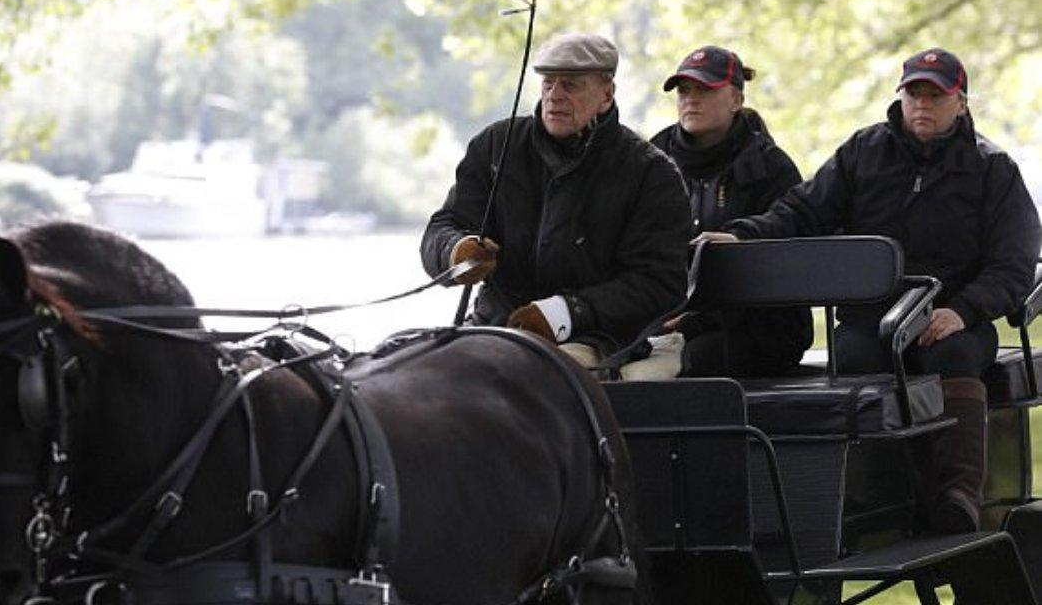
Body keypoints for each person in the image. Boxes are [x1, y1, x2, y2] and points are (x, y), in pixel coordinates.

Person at [697, 48, 1042, 533]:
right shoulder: (863, 152)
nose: (922, 104)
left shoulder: (993, 169)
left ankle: (959, 495)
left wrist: (962, 310)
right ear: (900, 98)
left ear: (961, 102)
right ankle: (879, 503)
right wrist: (742, 235)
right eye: (913, 93)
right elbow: (803, 211)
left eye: (935, 95)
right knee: (855, 355)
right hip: (872, 316)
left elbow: (1013, 264)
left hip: (955, 316)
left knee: (954, 355)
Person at [421, 32, 691, 367]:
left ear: (606, 95)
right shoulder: (494, 147)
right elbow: (445, 226)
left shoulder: (651, 173)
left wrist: (567, 311)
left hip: (600, 340)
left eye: (571, 85)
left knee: (535, 377)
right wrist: (454, 251)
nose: (555, 95)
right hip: (492, 330)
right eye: (548, 83)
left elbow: (659, 283)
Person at [650, 46, 812, 376]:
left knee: (688, 363)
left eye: (705, 90)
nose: (691, 99)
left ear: (736, 100)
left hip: (758, 327)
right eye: (684, 90)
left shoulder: (770, 167)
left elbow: (783, 266)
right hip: (664, 323)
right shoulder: (652, 158)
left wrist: (697, 323)